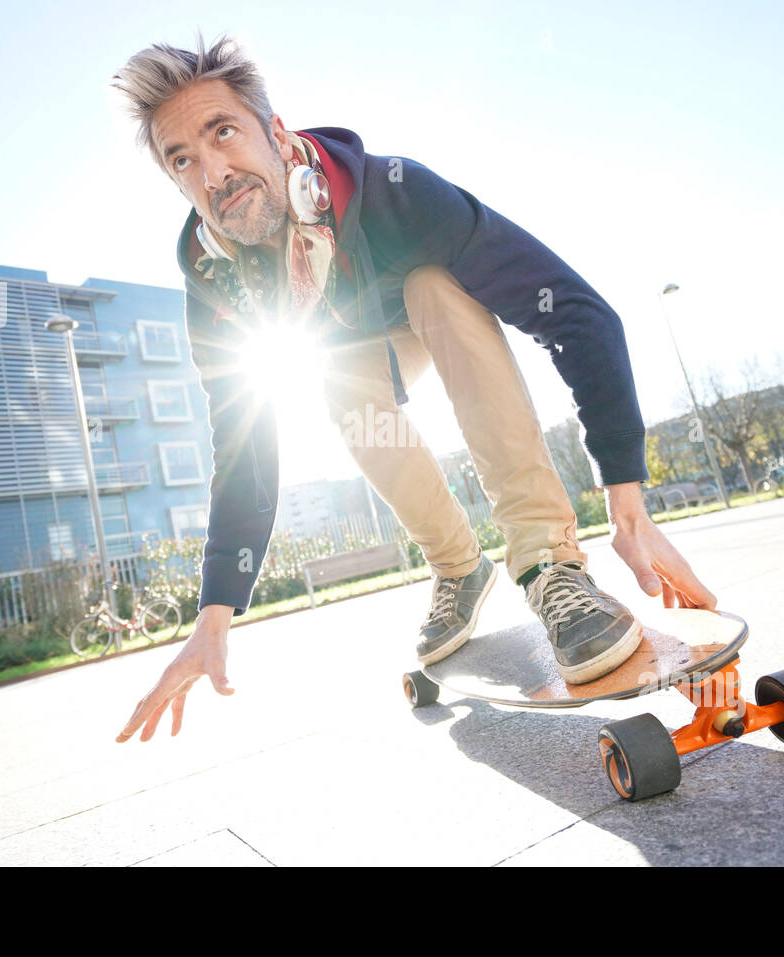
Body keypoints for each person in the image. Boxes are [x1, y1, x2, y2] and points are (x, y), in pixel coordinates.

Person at [109, 33, 717, 743]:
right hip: (355, 346)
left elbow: (575, 311)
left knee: (434, 284)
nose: (214, 172)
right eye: (184, 160)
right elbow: (242, 448)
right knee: (329, 374)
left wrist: (628, 500)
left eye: (223, 133)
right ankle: (459, 567)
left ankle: (549, 562)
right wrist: (214, 616)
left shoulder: (396, 196)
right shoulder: (212, 279)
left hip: (428, 315)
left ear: (274, 132)